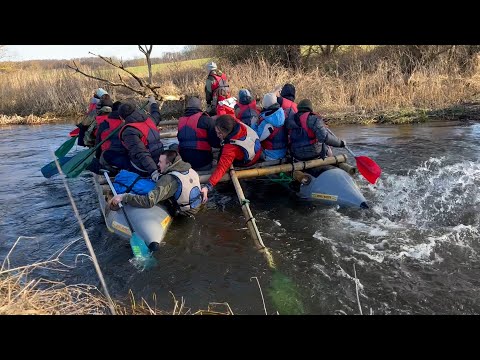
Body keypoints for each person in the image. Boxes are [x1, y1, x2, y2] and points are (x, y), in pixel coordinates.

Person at [109, 150, 202, 217]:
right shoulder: (190, 169)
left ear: (169, 164)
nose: (158, 164)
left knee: (149, 193)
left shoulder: (168, 179)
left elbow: (148, 201)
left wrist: (124, 197)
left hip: (185, 213)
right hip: (197, 207)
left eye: (161, 162)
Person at [200, 115, 263, 203]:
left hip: (248, 161)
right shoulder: (236, 123)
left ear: (227, 132)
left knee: (223, 156)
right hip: (257, 151)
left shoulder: (230, 147)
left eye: (220, 133)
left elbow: (221, 168)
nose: (218, 135)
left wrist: (208, 186)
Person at [118, 96, 163, 180]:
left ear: (121, 117)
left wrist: (154, 171)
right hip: (160, 162)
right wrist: (153, 103)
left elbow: (141, 153)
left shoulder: (129, 131)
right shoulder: (150, 120)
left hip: (143, 168)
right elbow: (156, 114)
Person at [177, 96, 220, 171]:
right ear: (199, 107)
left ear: (187, 107)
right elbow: (215, 143)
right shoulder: (207, 120)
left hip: (185, 163)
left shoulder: (180, 121)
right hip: (202, 163)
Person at [95, 101, 132, 172]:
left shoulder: (104, 123)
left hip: (108, 157)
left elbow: (98, 142)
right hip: (127, 158)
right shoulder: (129, 123)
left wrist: (97, 157)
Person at [252, 93, 287, 160]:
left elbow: (257, 137)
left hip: (270, 155)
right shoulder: (283, 114)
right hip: (284, 152)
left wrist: (253, 124)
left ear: (265, 104)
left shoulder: (267, 121)